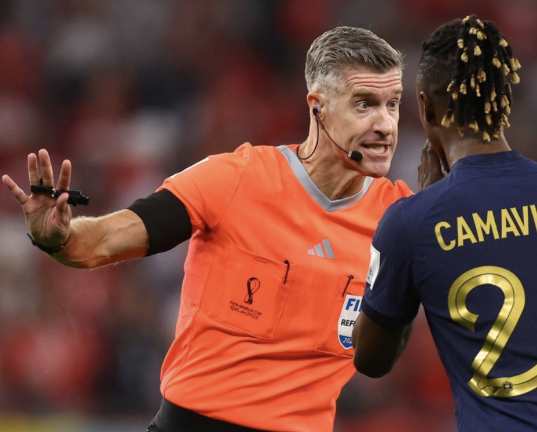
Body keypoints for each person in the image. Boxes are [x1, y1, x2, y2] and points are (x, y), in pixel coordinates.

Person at [0, 26, 423, 432]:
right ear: (319, 107)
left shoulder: (400, 219)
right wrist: (59, 236)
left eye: (392, 104)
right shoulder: (236, 178)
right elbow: (105, 240)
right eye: (364, 104)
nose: (385, 124)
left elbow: (383, 359)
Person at [353, 15, 537, 431]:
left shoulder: (412, 222)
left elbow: (372, 360)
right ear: (507, 99)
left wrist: (424, 214)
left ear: (425, 106)